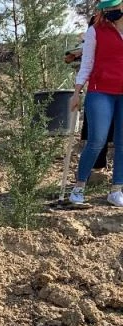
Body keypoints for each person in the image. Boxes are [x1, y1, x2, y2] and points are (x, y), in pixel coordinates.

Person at [69, 0, 123, 206]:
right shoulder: (95, 31)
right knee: (97, 141)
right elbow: (86, 64)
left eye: (113, 10)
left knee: (122, 143)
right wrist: (76, 93)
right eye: (106, 11)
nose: (109, 14)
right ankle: (79, 187)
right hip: (100, 92)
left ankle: (116, 190)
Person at [65, 16, 114, 173]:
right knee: (98, 132)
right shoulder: (96, 21)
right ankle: (97, 168)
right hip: (100, 86)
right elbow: (86, 55)